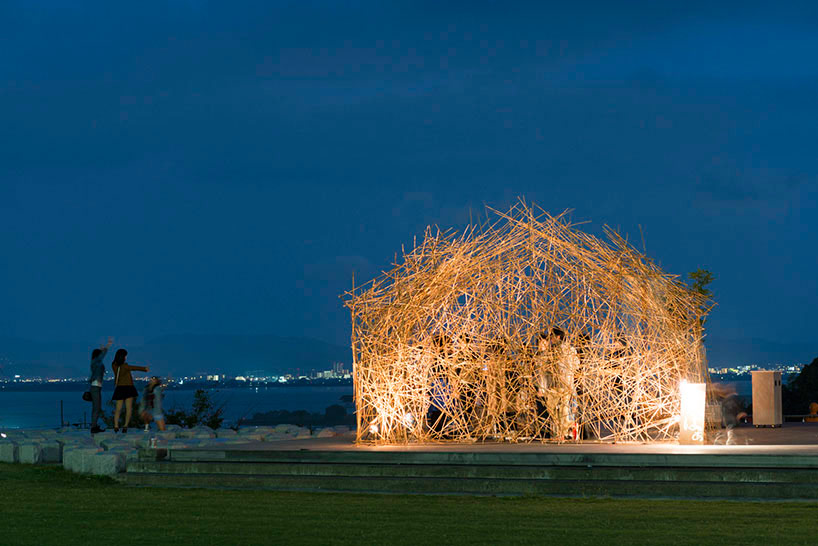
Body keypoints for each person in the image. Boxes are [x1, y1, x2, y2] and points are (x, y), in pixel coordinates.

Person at [111, 348, 149, 433]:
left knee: (118, 409)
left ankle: (116, 426)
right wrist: (144, 369)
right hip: (128, 387)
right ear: (123, 357)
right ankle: (125, 426)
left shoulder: (114, 365)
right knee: (128, 409)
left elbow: (131, 367)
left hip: (120, 388)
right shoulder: (125, 366)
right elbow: (134, 368)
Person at [88, 337, 113, 434]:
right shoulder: (96, 362)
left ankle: (94, 426)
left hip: (96, 387)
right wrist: (108, 345)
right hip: (95, 387)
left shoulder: (95, 363)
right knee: (96, 408)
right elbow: (103, 355)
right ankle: (93, 427)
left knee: (96, 407)